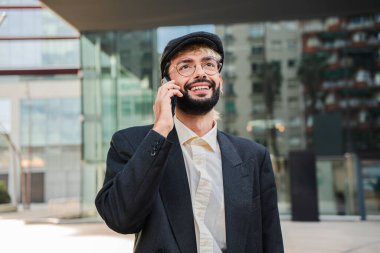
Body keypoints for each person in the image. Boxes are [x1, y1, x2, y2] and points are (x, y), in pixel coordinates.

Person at [95, 31, 284, 253]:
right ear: (167, 84)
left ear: (220, 81)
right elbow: (120, 219)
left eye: (208, 65)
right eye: (186, 66)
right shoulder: (132, 144)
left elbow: (270, 239)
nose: (200, 73)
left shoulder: (253, 156)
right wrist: (160, 130)